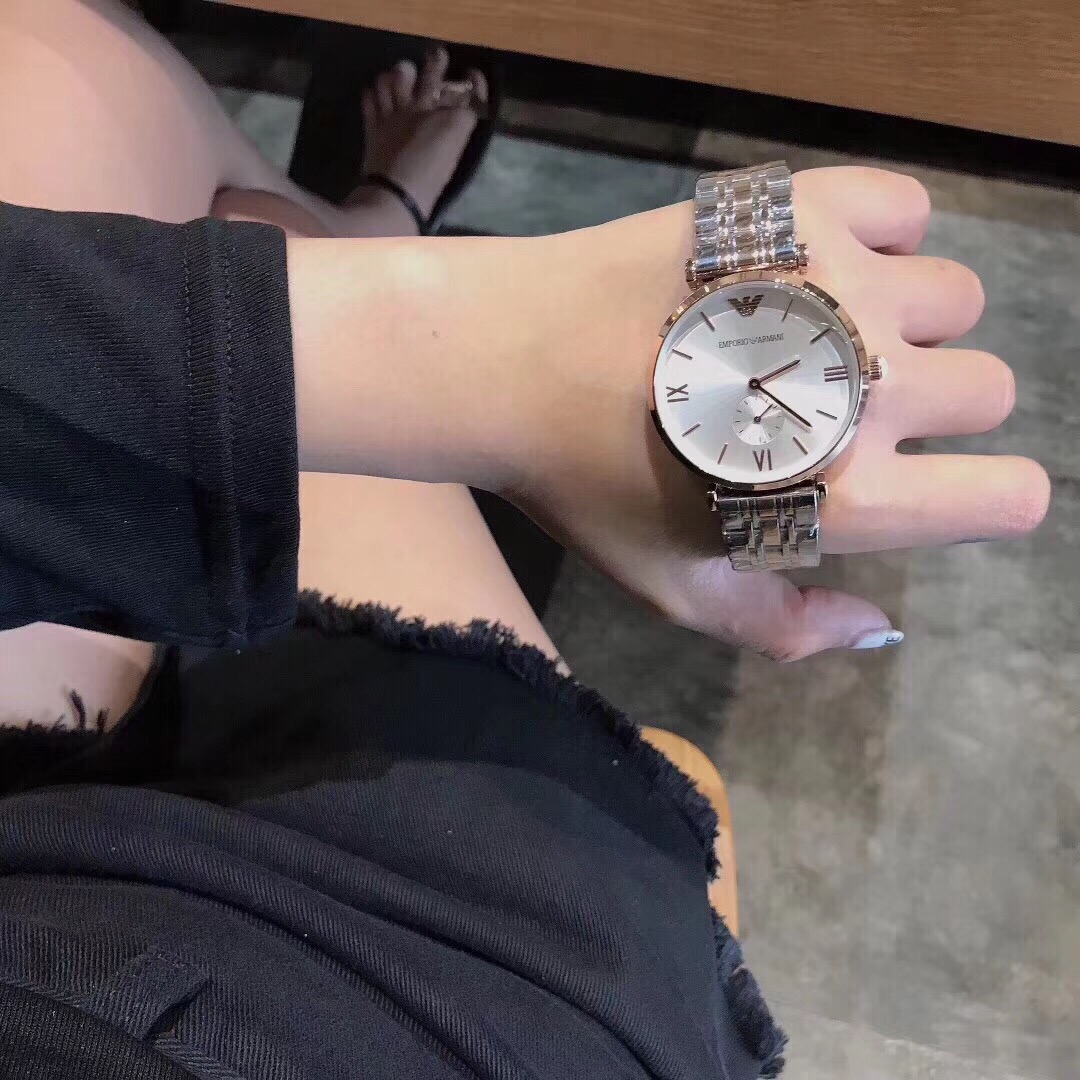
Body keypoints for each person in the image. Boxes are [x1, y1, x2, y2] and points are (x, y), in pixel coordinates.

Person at [0, 1, 1049, 1077]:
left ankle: (366, 232)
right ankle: (366, 236)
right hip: (458, 952)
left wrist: (490, 353)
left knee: (50, 56)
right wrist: (479, 354)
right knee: (214, 192)